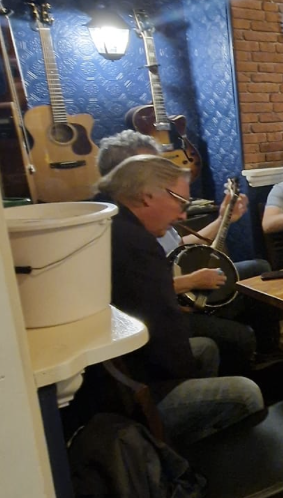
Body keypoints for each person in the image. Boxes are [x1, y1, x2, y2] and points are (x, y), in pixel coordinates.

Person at [96, 155, 264, 446]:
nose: (183, 216)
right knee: (246, 392)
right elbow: (164, 334)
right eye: (181, 202)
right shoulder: (135, 244)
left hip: (130, 366)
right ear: (147, 196)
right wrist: (183, 371)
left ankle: (198, 443)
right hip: (133, 396)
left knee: (207, 348)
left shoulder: (117, 224)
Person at [97, 130, 278, 375]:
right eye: (152, 165)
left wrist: (224, 219)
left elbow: (180, 244)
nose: (163, 170)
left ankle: (270, 351)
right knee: (239, 336)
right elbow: (136, 294)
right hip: (175, 302)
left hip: (184, 287)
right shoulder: (126, 231)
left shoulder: (149, 218)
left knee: (258, 270)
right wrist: (191, 282)